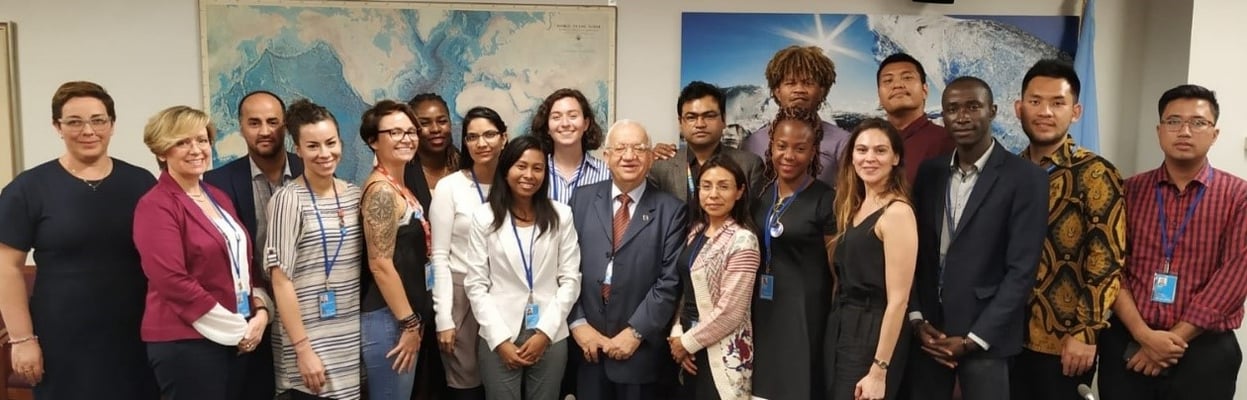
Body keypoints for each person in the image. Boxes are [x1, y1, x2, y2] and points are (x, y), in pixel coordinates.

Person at [0, 81, 158, 399]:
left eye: (98, 120)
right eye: (74, 121)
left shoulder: (141, 182)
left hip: (135, 335)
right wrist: (22, 339)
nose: (88, 130)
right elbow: (7, 267)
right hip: (62, 340)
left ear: (112, 125)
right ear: (57, 127)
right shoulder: (28, 188)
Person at [1098, 84, 1247, 400]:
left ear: (1215, 133)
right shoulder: (1128, 190)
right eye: (1174, 121)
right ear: (1159, 130)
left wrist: (1169, 342)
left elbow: (1235, 277)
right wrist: (1144, 336)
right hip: (1129, 343)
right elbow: (1111, 266)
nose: (1185, 131)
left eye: (1198, 122)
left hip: (1204, 352)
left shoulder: (1239, 196)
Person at [902, 77, 1047, 400]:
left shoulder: (1026, 179)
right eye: (952, 109)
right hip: (930, 335)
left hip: (986, 341)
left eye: (973, 107)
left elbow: (1022, 271)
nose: (962, 117)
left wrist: (974, 339)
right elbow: (915, 254)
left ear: (992, 111)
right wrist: (916, 319)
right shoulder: (930, 173)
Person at [133, 106, 272, 400]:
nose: (196, 149)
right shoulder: (156, 205)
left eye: (202, 140)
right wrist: (236, 328)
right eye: (182, 142)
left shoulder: (216, 196)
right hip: (186, 343)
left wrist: (259, 311)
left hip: (234, 337)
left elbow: (242, 265)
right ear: (161, 151)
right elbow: (172, 280)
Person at [1010, 59, 1125, 400]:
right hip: (1005, 336)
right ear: (1019, 108)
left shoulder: (1096, 173)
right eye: (1035, 101)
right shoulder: (1007, 172)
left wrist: (1086, 332)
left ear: (1075, 111)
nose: (1045, 111)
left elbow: (1106, 259)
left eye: (1057, 103)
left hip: (1064, 342)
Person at [568, 120, 686, 400]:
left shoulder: (672, 211)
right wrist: (578, 324)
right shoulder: (581, 199)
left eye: (639, 148)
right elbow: (565, 268)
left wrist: (634, 333)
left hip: (640, 353)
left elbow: (669, 282)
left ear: (650, 157)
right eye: (620, 148)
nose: (629, 155)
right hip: (587, 349)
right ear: (606, 156)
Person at [464, 135, 582, 400]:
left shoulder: (561, 215)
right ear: (506, 169)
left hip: (550, 331)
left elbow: (570, 279)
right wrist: (500, 340)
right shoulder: (485, 217)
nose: (529, 174)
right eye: (521, 165)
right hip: (499, 332)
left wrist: (545, 332)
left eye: (537, 168)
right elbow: (475, 284)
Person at [204, 90, 305, 399]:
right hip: (248, 315)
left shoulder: (311, 170)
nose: (264, 131)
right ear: (240, 126)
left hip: (306, 309)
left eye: (273, 122)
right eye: (254, 122)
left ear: (285, 125)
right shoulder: (216, 182)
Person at [265, 100, 363, 399]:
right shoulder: (288, 200)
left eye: (330, 143)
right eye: (313, 146)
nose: (324, 153)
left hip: (348, 342)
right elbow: (280, 281)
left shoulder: (355, 195)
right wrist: (303, 349)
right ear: (298, 149)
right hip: (307, 343)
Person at [654, 46, 851, 188]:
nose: (799, 90)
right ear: (776, 91)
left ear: (823, 90)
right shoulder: (754, 142)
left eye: (808, 83)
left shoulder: (843, 142)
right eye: (790, 83)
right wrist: (660, 154)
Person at [823, 118, 917, 400]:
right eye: (862, 150)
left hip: (873, 336)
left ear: (895, 157)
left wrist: (879, 369)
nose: (869, 158)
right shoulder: (852, 207)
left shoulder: (897, 212)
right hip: (842, 326)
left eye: (880, 150)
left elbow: (899, 299)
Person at [750, 106, 837, 400]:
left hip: (805, 313)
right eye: (781, 146)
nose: (788, 156)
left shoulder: (826, 199)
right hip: (761, 309)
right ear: (771, 145)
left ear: (814, 151)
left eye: (800, 148)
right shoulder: (760, 194)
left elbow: (837, 272)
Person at [430, 106, 510, 400]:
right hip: (461, 297)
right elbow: (438, 256)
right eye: (472, 137)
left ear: (504, 137)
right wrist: (444, 319)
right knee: (467, 385)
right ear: (465, 143)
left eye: (489, 134)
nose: (481, 143)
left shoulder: (517, 183)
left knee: (505, 382)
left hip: (505, 294)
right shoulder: (450, 187)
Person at [359, 100, 436, 399]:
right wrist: (410, 323)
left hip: (402, 318)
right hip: (389, 320)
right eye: (395, 132)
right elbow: (380, 264)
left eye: (411, 131)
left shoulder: (399, 185)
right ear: (372, 141)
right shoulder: (380, 191)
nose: (407, 138)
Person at [667, 155, 761, 400]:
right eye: (706, 186)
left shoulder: (743, 240)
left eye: (724, 186)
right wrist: (678, 333)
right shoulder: (696, 230)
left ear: (739, 191)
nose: (713, 194)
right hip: (689, 348)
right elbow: (686, 288)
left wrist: (687, 343)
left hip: (722, 350)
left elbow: (732, 310)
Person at [649, 81, 765, 205]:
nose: (700, 124)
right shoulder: (660, 168)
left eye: (709, 116)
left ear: (724, 119)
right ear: (680, 123)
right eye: (691, 117)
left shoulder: (749, 166)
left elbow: (755, 219)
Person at [875, 53, 954, 183]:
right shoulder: (867, 144)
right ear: (879, 96)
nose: (897, 85)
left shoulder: (946, 141)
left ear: (925, 90)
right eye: (888, 80)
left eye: (907, 77)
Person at [531, 88, 611, 204]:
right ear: (547, 127)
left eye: (573, 116)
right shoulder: (535, 172)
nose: (565, 124)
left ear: (586, 124)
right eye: (556, 117)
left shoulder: (607, 173)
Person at [408, 93, 461, 194]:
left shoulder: (466, 168)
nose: (436, 129)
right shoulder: (402, 173)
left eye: (442, 121)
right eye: (424, 123)